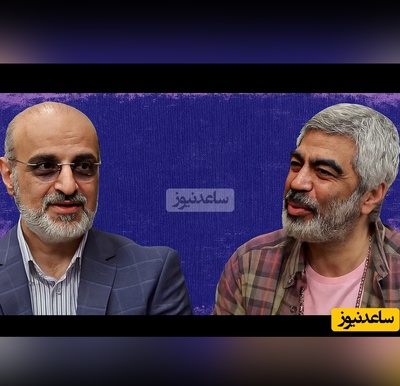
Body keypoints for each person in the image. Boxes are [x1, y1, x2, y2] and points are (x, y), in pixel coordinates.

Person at [0, 101, 192, 315]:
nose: (68, 186)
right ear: (9, 175)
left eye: (83, 166)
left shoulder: (151, 274)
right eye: (46, 167)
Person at [213, 103, 400, 315]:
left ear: (371, 195)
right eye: (296, 164)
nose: (297, 182)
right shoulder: (250, 265)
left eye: (323, 172)